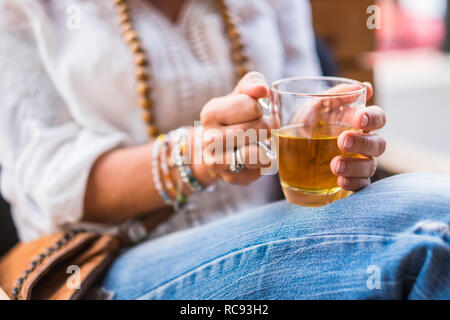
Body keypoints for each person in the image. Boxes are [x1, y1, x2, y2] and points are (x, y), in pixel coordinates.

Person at [0, 0, 448, 300]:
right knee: (431, 224)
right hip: (109, 265)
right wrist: (200, 156)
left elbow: (302, 116)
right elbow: (50, 181)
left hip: (273, 233)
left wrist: (338, 145)